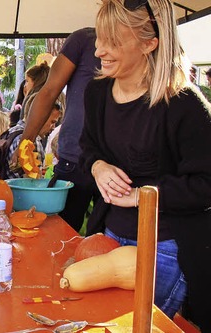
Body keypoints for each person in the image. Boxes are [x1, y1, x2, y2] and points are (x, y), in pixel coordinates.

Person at [80, 0, 211, 329]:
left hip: (166, 247)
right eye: (99, 38)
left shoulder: (185, 105)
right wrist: (98, 167)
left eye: (112, 41)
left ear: (149, 43)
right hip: (109, 234)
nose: (99, 51)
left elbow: (206, 184)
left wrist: (144, 196)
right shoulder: (97, 92)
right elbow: (87, 148)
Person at [20, 27, 101, 233]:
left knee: (108, 244)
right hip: (75, 157)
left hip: (118, 164)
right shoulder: (84, 39)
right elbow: (49, 91)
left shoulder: (141, 41)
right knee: (57, 234)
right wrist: (25, 142)